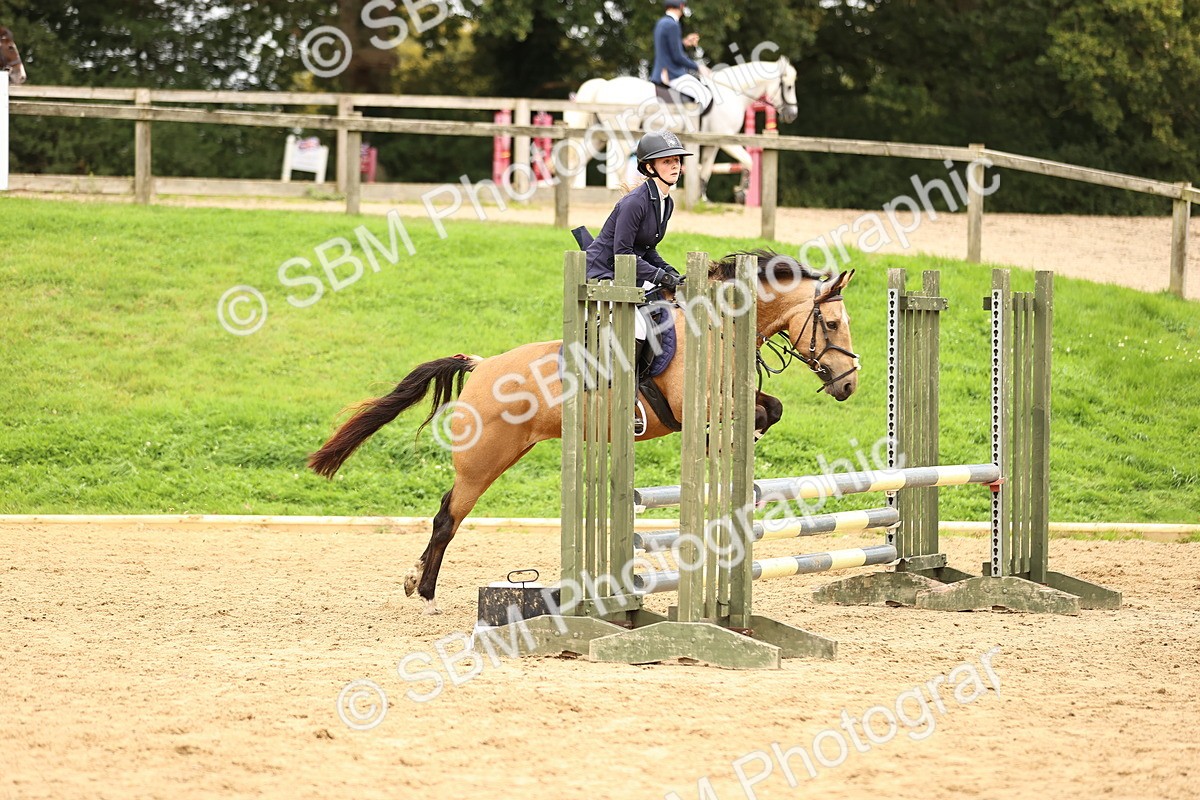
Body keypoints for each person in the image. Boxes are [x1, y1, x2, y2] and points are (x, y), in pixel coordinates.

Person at [586, 131, 691, 435]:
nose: (675, 167)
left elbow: (647, 249)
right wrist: (658, 277)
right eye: (667, 161)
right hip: (603, 273)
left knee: (670, 307)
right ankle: (626, 396)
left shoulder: (665, 202)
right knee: (640, 323)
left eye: (677, 161)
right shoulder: (635, 203)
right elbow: (622, 254)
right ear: (649, 167)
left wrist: (669, 270)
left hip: (629, 269)